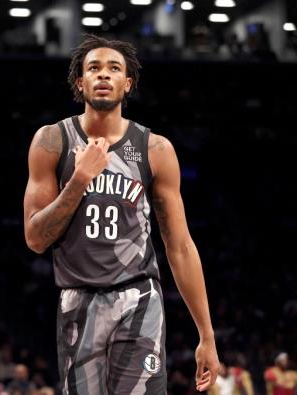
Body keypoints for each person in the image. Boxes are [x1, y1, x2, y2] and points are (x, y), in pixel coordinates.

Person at [23, 34, 219, 394]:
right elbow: (35, 238)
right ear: (80, 82)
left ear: (127, 84)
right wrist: (80, 178)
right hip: (77, 301)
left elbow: (180, 246)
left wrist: (206, 335)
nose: (103, 75)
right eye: (93, 68)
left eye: (114, 68)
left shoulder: (155, 148)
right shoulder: (52, 141)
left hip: (138, 298)